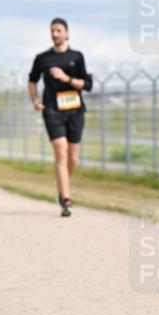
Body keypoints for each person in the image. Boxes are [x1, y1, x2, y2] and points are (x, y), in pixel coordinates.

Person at [28, 17, 93, 217]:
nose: (55, 34)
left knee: (73, 158)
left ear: (67, 33)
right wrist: (35, 100)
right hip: (52, 111)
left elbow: (87, 85)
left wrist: (66, 78)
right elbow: (32, 81)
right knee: (61, 153)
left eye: (58, 30)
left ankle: (62, 184)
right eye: (52, 30)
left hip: (75, 111)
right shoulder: (42, 58)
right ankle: (66, 198)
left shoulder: (77, 56)